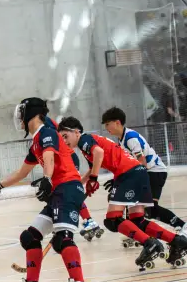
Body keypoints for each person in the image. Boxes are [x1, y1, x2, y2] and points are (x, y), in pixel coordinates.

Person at [0, 98, 90, 282]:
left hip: (67, 188)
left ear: (30, 113)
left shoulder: (47, 133)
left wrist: (47, 178)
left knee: (63, 237)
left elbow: (49, 156)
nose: (19, 117)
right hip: (58, 191)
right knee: (29, 237)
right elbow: (22, 173)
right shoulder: (36, 141)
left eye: (21, 112)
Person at [57, 116, 187, 270]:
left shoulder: (85, 140)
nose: (64, 141)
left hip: (128, 174)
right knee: (137, 220)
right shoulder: (88, 145)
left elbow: (98, 153)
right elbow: (93, 167)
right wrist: (77, 185)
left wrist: (93, 178)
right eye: (61, 138)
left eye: (66, 136)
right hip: (137, 173)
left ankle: (150, 244)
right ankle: (177, 241)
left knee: (113, 219)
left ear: (77, 132)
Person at [102, 106, 187, 237]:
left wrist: (127, 181)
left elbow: (142, 163)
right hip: (147, 172)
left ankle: (182, 226)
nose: (106, 128)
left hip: (154, 171)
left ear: (117, 122)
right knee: (134, 201)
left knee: (150, 208)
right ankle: (136, 229)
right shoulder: (122, 139)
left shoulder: (130, 138)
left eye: (108, 124)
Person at [45, 117, 103, 241]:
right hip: (63, 160)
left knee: (67, 192)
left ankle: (88, 221)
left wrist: (93, 178)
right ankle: (85, 221)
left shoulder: (45, 124)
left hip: (67, 159)